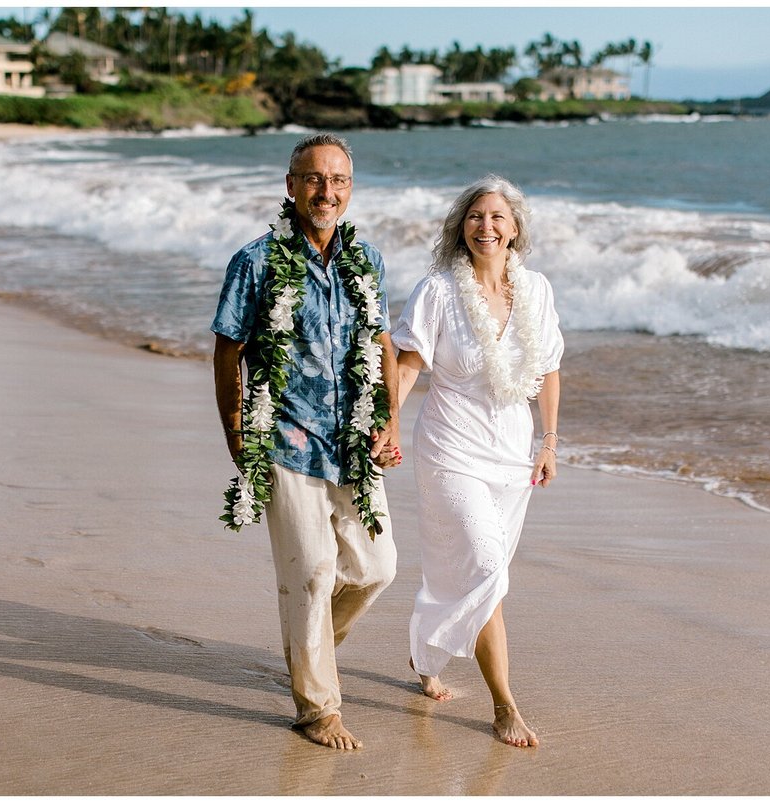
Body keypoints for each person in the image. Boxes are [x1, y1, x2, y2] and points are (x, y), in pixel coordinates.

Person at [211, 133, 401, 750]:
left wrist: (389, 419)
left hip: (351, 441)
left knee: (376, 567)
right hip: (284, 437)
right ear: (290, 185)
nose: (327, 192)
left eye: (339, 181)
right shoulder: (256, 260)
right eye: (315, 179)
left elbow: (380, 344)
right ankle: (318, 708)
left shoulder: (366, 259)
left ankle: (308, 643)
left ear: (351, 189)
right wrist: (239, 434)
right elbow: (228, 350)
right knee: (313, 572)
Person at [391, 175, 563, 748]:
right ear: (459, 228)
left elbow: (549, 369)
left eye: (496, 217)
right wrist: (386, 422)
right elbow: (409, 362)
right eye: (474, 216)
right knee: (488, 568)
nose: (484, 226)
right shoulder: (438, 291)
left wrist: (549, 441)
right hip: (449, 447)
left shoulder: (535, 290)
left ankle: (426, 655)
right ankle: (505, 705)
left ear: (515, 229)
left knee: (455, 568)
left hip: (512, 456)